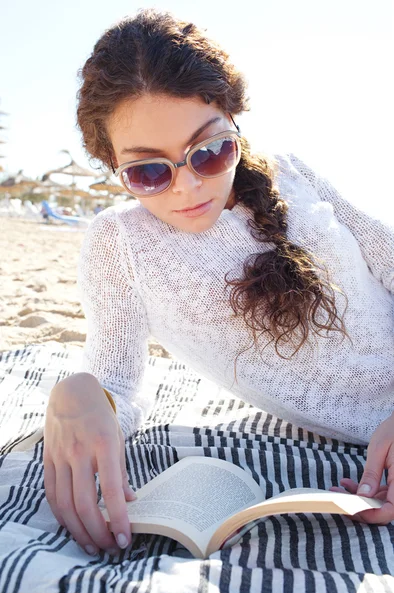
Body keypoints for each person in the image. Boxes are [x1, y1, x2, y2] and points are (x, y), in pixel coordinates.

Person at [43, 8, 394, 558]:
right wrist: (77, 393)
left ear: (234, 120)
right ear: (112, 164)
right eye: (149, 171)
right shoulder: (120, 244)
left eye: (209, 151)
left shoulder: (293, 173)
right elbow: (116, 381)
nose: (187, 187)